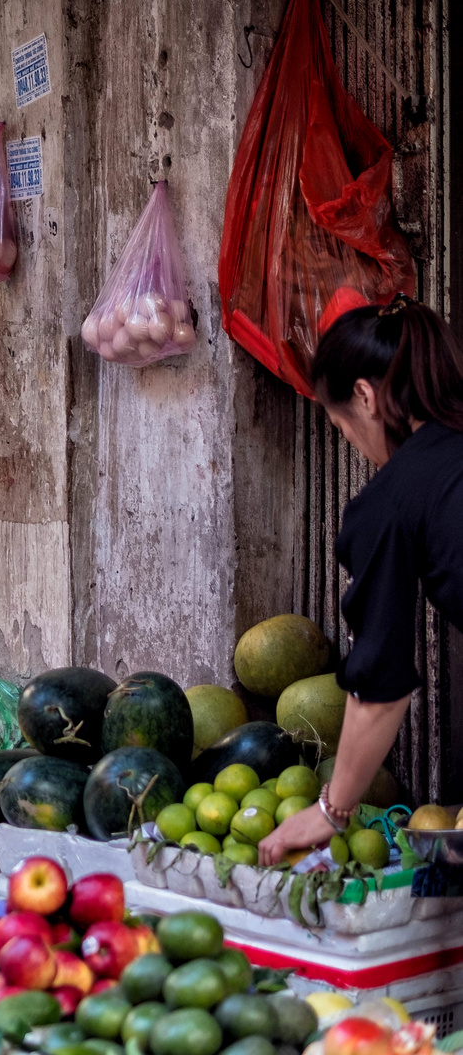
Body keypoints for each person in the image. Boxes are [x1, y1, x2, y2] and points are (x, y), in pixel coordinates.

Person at [258, 298, 463, 865]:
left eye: (341, 424)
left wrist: (331, 810)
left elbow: (381, 682)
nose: (355, 443)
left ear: (367, 398)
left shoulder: (391, 499)